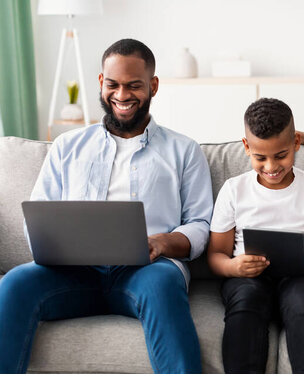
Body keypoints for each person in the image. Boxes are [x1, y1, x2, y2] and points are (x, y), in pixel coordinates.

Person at [0, 39, 213, 373]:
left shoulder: (184, 151)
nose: (122, 95)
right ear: (101, 83)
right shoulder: (67, 146)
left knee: (162, 284)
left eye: (134, 86)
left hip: (147, 271)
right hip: (72, 274)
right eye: (113, 84)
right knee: (14, 283)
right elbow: (37, 216)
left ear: (153, 86)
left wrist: (162, 241)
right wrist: (53, 245)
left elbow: (200, 224)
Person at [207, 98, 304, 374]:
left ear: (296, 143)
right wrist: (233, 266)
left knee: (303, 306)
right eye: (260, 157)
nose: (271, 166)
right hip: (248, 278)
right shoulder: (234, 190)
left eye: (281, 155)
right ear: (246, 147)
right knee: (245, 305)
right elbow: (216, 255)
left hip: (303, 277)